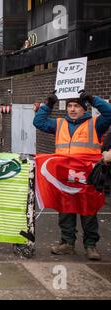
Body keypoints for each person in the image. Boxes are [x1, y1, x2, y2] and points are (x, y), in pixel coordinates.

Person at [33, 90, 111, 261]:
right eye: (69, 106)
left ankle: (90, 246)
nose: (72, 109)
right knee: (66, 209)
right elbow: (38, 122)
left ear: (84, 109)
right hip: (65, 176)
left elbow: (109, 113)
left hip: (88, 177)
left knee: (88, 210)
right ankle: (67, 243)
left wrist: (92, 99)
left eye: (77, 106)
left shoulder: (96, 124)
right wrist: (49, 103)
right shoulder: (59, 124)